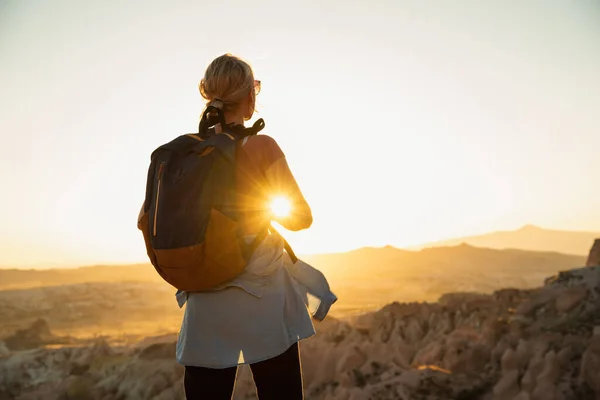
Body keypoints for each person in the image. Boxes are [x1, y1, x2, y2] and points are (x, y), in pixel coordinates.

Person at [176, 53, 335, 400]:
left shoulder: (185, 154)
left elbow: (147, 220)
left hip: (203, 296)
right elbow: (301, 218)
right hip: (261, 294)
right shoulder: (262, 146)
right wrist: (257, 206)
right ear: (250, 96)